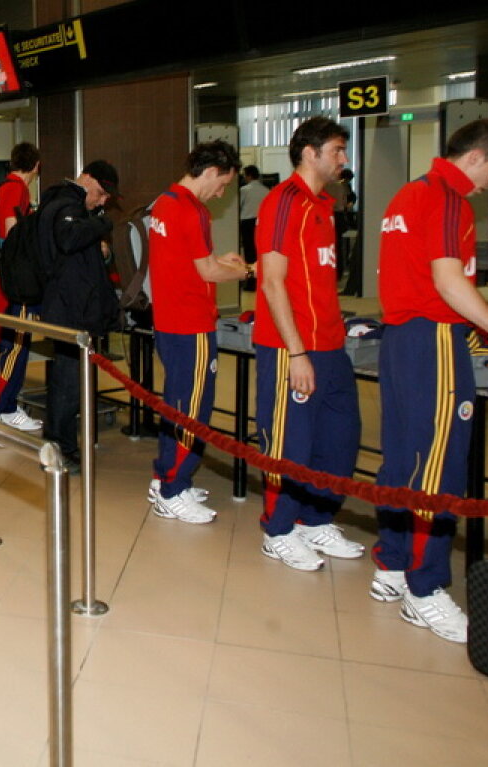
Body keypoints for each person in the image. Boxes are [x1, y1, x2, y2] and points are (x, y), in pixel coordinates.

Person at [371, 117, 488, 643]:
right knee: (437, 466)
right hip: (432, 342)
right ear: (474, 159)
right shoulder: (447, 198)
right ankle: (425, 590)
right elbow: (448, 281)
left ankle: (393, 566)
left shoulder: (409, 193)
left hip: (399, 341)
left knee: (403, 457)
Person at [254, 116, 365, 571]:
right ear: (309, 153)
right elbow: (273, 283)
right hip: (290, 348)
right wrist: (296, 352)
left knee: (340, 440)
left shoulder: (323, 205)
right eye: (337, 150)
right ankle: (278, 530)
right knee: (290, 445)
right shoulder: (284, 202)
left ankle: (314, 520)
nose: (343, 159)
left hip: (331, 346)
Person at [147, 141, 248, 523]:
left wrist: (221, 260)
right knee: (192, 410)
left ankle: (166, 477)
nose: (222, 192)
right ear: (210, 172)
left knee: (176, 402)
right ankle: (174, 489)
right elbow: (206, 272)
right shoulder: (192, 209)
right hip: (191, 324)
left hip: (169, 321)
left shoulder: (165, 202)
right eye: (222, 184)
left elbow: (187, 262)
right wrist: (245, 271)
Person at [40, 160, 120, 471]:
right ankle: (60, 450)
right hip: (68, 310)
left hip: (76, 307)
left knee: (69, 383)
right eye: (100, 194)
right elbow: (69, 239)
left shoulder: (72, 208)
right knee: (67, 385)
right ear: (85, 179)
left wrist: (101, 249)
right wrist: (103, 225)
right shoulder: (63, 204)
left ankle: (62, 446)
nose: (102, 201)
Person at [0, 142, 43, 432]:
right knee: (14, 348)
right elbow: (11, 230)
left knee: (15, 346)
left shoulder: (5, 187)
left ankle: (6, 407)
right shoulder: (16, 188)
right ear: (35, 166)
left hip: (10, 275)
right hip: (17, 280)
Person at [238, 165, 269, 290]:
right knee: (259, 252)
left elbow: (239, 206)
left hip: (247, 222)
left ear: (249, 176)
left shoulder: (244, 190)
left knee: (249, 253)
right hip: (261, 223)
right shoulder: (266, 190)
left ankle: (251, 283)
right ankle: (260, 280)